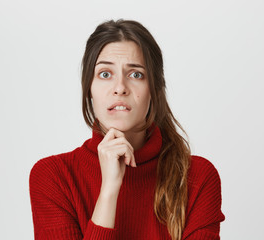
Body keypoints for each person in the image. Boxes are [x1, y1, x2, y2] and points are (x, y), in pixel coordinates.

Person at [29, 19, 225, 240]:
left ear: (155, 90)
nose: (120, 87)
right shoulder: (53, 177)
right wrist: (109, 190)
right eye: (105, 74)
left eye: (136, 74)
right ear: (89, 89)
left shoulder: (196, 177)